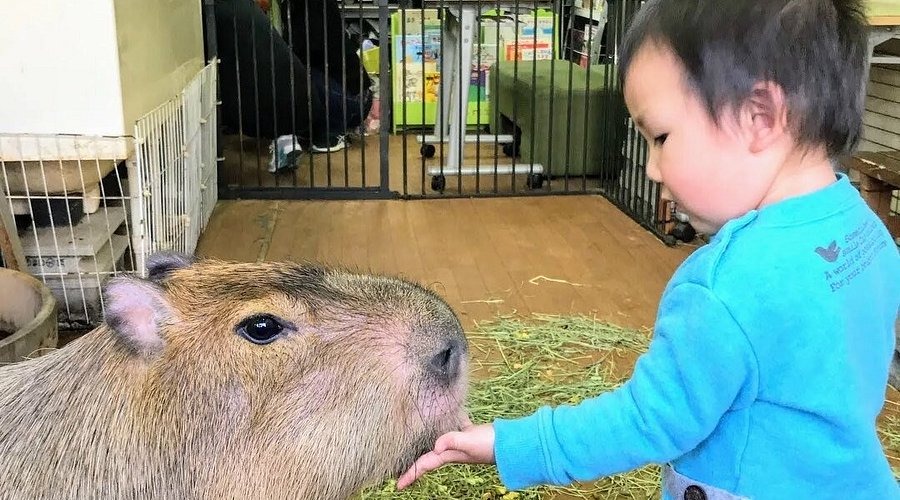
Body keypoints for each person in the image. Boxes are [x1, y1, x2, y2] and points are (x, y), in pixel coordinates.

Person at [396, 0, 900, 498]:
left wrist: (509, 444)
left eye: (660, 137)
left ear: (758, 116)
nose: (653, 168)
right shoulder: (866, 232)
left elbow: (646, 420)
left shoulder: (724, 287)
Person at [213, 0, 373, 172]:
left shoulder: (308, 9)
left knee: (285, 78)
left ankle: (325, 133)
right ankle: (296, 132)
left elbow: (306, 54)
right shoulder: (294, 8)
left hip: (350, 100)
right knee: (285, 77)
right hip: (352, 96)